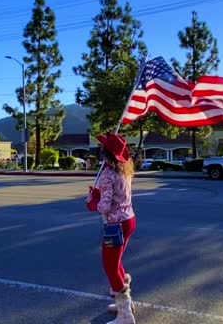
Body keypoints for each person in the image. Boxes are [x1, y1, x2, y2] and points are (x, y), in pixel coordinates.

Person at [87, 133, 137, 324]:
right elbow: (117, 196)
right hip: (129, 220)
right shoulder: (124, 170)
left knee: (110, 267)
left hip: (115, 225)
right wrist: (99, 193)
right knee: (116, 264)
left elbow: (105, 206)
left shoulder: (108, 175)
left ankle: (125, 316)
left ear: (105, 153)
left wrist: (92, 203)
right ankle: (125, 303)